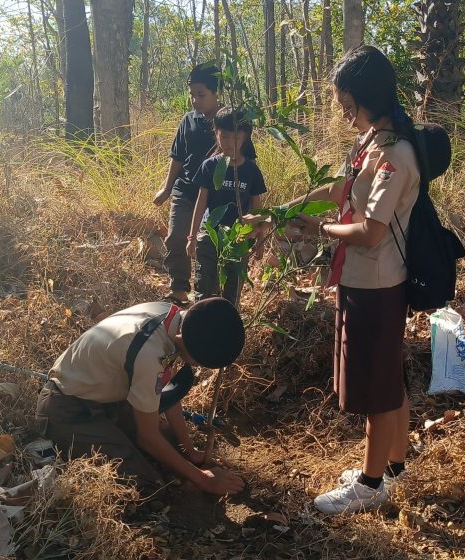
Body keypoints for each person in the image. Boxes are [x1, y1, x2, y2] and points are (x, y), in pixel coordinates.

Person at [275, 46, 422, 514]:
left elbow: (370, 230)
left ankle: (370, 482)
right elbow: (339, 188)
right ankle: (395, 468)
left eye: (345, 104)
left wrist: (319, 228)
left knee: (377, 388)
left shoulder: (395, 153)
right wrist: (292, 209)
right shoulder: (370, 146)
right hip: (361, 279)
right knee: (388, 377)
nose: (343, 114)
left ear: (364, 97)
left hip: (377, 283)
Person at [35, 297, 246, 495]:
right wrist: (204, 480)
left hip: (108, 401)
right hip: (67, 410)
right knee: (146, 483)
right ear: (184, 338)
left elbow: (167, 396)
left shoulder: (172, 316)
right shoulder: (149, 354)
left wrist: (190, 451)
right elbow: (148, 438)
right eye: (198, 361)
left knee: (171, 442)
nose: (198, 365)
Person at [153, 64, 256, 307]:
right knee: (177, 236)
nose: (195, 101)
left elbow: (247, 161)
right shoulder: (188, 121)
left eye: (201, 95)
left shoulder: (229, 122)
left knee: (212, 245)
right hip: (187, 189)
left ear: (215, 93)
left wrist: (250, 208)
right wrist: (167, 188)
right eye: (192, 95)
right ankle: (179, 288)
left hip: (219, 196)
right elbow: (177, 157)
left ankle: (215, 296)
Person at [187, 108, 267, 304]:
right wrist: (192, 237)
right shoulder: (210, 166)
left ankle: (227, 327)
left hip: (239, 237)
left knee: (232, 290)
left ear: (245, 138)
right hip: (210, 235)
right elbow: (201, 201)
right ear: (216, 133)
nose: (230, 144)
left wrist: (260, 238)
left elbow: (257, 207)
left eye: (236, 138)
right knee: (205, 287)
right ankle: (199, 324)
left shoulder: (251, 171)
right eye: (224, 137)